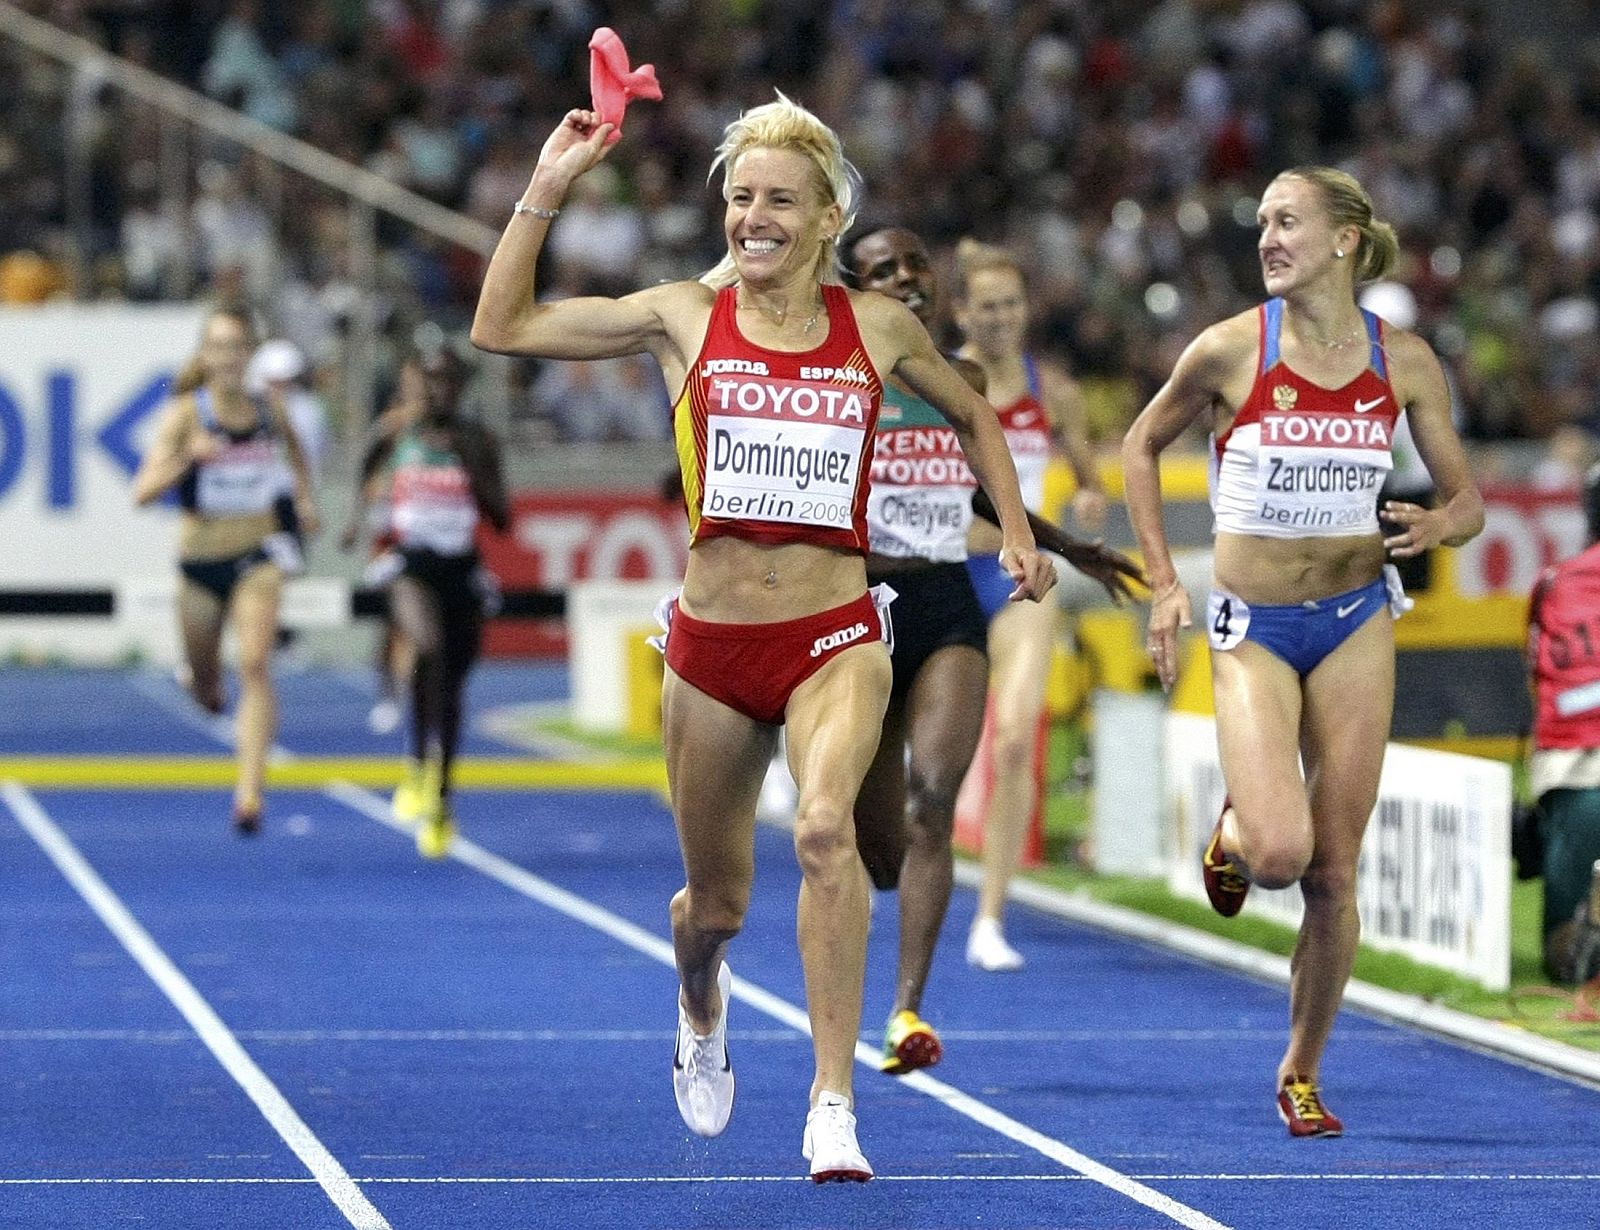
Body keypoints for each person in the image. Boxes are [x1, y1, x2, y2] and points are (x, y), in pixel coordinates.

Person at [471, 96, 1054, 1182]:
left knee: (826, 830)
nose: (752, 217)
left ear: (829, 215)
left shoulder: (877, 330)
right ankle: (699, 991)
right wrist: (548, 184)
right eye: (740, 197)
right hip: (713, 646)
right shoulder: (684, 315)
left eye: (779, 199)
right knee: (718, 905)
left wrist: (1014, 533)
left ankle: (832, 1100)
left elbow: (976, 414)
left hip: (835, 632)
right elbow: (500, 327)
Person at [1122, 166, 1484, 1137]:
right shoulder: (1231, 348)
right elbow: (1138, 448)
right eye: (1262, 225)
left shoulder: (1402, 361)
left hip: (1358, 617)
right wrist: (1165, 586)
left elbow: (1469, 502)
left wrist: (1439, 524)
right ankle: (1239, 829)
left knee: (1335, 870)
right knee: (1282, 855)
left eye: (1287, 223)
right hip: (1255, 630)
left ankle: (1300, 1070)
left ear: (1344, 242)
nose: (1267, 239)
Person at [950, 239, 1109, 972]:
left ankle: (990, 917)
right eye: (986, 307)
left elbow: (1085, 470)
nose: (1001, 319)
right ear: (961, 313)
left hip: (1019, 580)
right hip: (943, 572)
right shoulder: (939, 380)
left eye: (1011, 305)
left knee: (1014, 739)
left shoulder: (1056, 390)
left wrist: (1086, 495)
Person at [132, 305, 320, 835]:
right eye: (219, 347)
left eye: (239, 347)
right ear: (205, 356)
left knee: (257, 663)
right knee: (209, 690)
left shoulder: (268, 409)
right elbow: (142, 493)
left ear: (251, 353)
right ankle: (203, 683)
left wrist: (304, 501)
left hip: (257, 554)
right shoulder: (185, 414)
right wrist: (186, 459)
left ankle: (250, 792)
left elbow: (299, 459)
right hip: (199, 562)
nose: (230, 358)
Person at [344, 335, 509, 859]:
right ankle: (418, 766)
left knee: (452, 682)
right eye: (429, 379)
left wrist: (472, 468)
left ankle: (441, 791)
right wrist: (356, 519)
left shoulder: (479, 439)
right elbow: (366, 465)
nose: (436, 390)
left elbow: (503, 518)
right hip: (410, 564)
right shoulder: (399, 431)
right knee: (428, 648)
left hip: (460, 567)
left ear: (460, 387)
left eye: (447, 380)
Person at [1525, 461, 1600, 987]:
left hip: (1570, 770)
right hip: (1575, 765)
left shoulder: (1552, 583)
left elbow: (1536, 680)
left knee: (1566, 964)